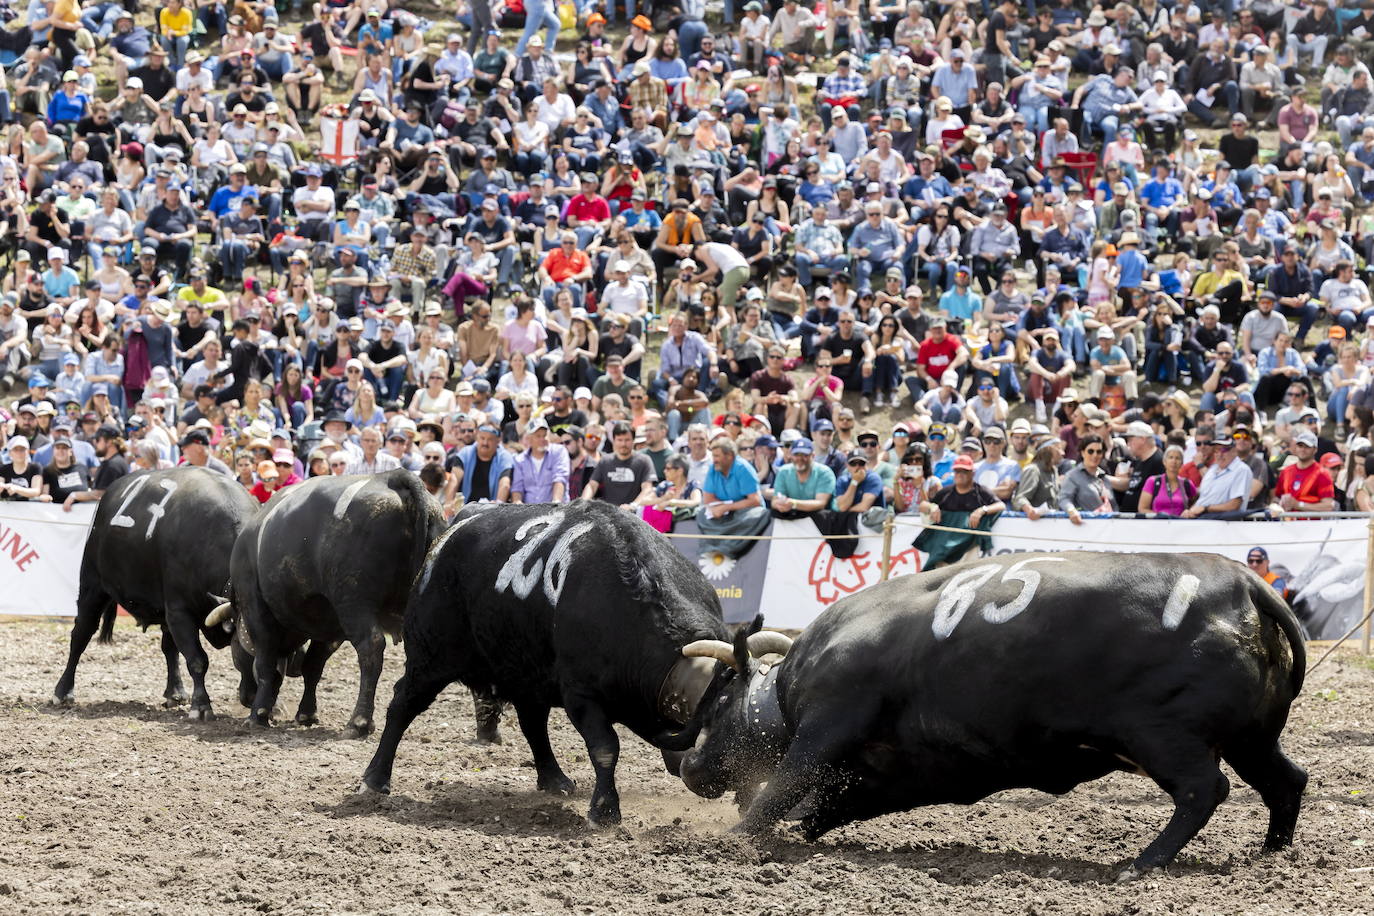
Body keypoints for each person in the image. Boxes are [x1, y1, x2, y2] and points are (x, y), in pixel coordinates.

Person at [696, 437, 770, 558]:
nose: (714, 460)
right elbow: (708, 499)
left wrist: (726, 507)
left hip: (744, 512)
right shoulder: (713, 469)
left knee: (758, 515)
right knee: (701, 513)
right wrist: (718, 508)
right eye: (713, 456)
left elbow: (755, 501)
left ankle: (729, 547)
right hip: (725, 514)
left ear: (729, 455)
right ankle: (715, 546)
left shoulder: (743, 469)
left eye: (717, 456)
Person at [582, 420, 654, 506]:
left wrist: (633, 505)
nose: (623, 444)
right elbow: (592, 485)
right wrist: (583, 502)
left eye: (627, 440)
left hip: (633, 514)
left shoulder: (644, 461)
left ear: (633, 440)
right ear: (614, 440)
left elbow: (647, 488)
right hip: (608, 514)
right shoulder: (605, 461)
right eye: (619, 440)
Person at [1182, 435, 1253, 519]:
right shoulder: (1212, 469)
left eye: (1224, 450)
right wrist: (1190, 511)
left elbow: (1234, 505)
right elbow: (1203, 498)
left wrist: (1206, 508)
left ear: (1234, 450)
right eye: (1216, 451)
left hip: (1223, 524)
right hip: (1201, 521)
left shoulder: (1241, 470)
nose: (1219, 454)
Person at [1058, 433, 1116, 524]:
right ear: (1083, 453)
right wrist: (1071, 511)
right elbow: (1064, 499)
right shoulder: (1072, 476)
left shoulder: (1104, 478)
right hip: (1083, 527)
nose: (1095, 455)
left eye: (1099, 452)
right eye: (1090, 451)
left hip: (1107, 530)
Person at [510, 417, 569, 503]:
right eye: (538, 436)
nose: (542, 439)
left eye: (545, 435)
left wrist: (556, 502)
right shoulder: (520, 460)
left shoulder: (559, 451)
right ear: (529, 439)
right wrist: (517, 503)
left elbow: (559, 478)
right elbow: (517, 487)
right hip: (529, 511)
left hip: (555, 509)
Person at [1276, 430, 1337, 513]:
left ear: (1315, 450)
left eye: (1307, 446)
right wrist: (1278, 504)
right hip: (1287, 523)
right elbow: (1276, 497)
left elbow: (1328, 506)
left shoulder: (1322, 474)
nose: (1303, 449)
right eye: (1300, 446)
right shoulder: (1286, 471)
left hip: (1311, 524)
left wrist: (1299, 505)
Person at [1138, 444, 1196, 517]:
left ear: (1182, 463)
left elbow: (1196, 505)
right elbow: (1142, 508)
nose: (1174, 461)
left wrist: (1189, 512)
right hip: (1157, 524)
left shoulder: (1187, 484)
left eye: (1177, 458)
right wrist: (1160, 517)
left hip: (1180, 525)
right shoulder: (1153, 481)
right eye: (1170, 457)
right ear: (1164, 461)